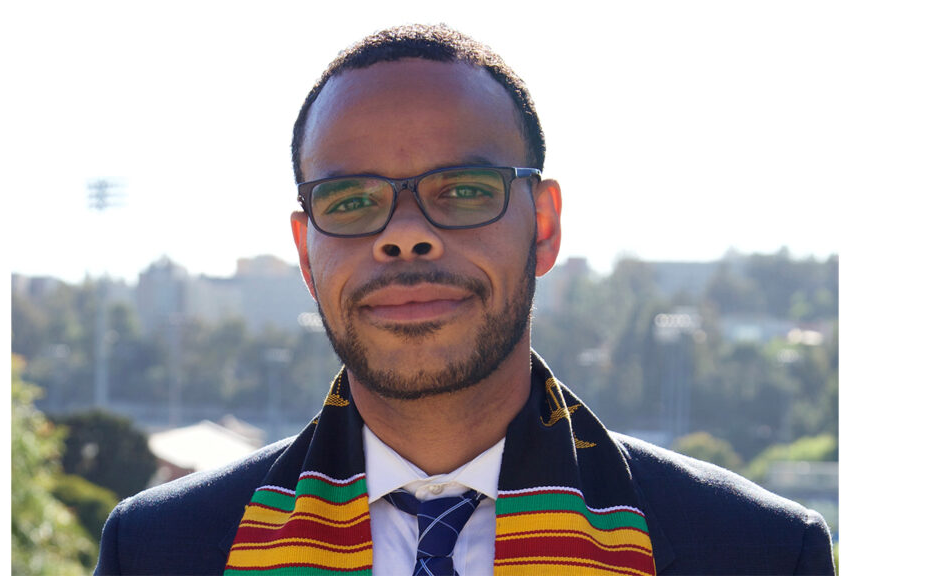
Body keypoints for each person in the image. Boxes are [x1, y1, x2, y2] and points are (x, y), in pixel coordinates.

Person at [95, 24, 835, 576]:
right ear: (305, 252)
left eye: (465, 191)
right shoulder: (162, 551)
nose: (406, 237)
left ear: (543, 227)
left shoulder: (757, 552)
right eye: (352, 201)